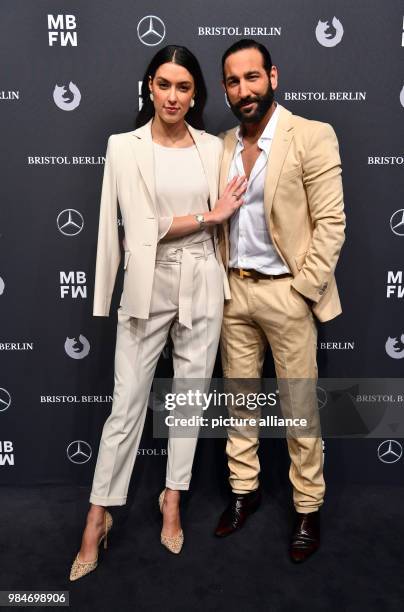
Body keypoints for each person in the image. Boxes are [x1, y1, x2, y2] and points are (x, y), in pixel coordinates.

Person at [69, 44, 247, 581]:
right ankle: (98, 516)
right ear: (150, 86)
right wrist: (207, 215)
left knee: (189, 398)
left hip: (203, 279)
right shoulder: (123, 147)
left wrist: (217, 230)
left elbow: (228, 224)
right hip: (148, 284)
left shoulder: (213, 147)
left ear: (196, 95)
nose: (173, 96)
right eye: (164, 84)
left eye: (184, 87)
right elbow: (128, 229)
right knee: (126, 407)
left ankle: (173, 497)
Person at [214, 39, 345, 562]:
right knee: (239, 403)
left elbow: (331, 223)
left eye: (252, 77)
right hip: (233, 293)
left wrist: (302, 291)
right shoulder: (219, 145)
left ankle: (307, 508)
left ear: (273, 76)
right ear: (224, 88)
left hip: (287, 294)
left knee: (297, 411)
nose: (243, 90)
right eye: (232, 81)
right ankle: (244, 493)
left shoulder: (310, 135)